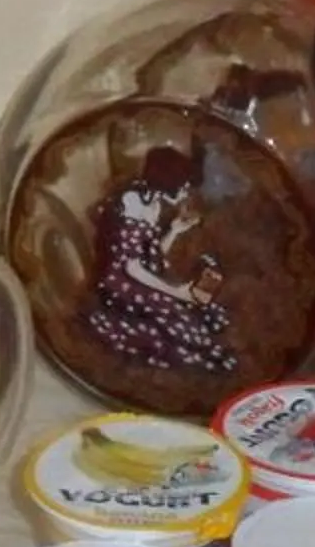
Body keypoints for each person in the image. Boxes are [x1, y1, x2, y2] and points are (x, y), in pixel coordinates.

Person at [79, 144, 237, 381]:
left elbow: (152, 254)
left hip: (141, 274)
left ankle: (204, 349)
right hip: (119, 283)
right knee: (177, 323)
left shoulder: (154, 204)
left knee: (203, 312)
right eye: (183, 185)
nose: (185, 192)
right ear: (168, 180)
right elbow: (131, 267)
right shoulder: (132, 202)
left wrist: (174, 231)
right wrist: (175, 292)